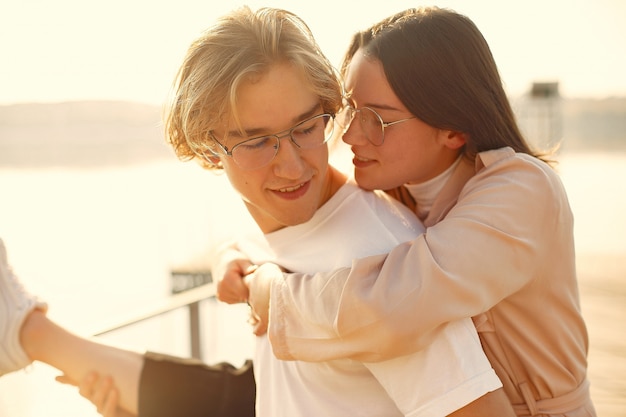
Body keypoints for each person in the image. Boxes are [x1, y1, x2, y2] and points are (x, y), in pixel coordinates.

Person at [1, 6, 515, 417]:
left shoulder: (379, 257)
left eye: (306, 127)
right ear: (207, 149)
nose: (291, 165)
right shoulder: (296, 235)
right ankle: (26, 335)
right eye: (255, 142)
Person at [233, 6, 596, 417]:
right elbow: (308, 217)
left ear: (454, 129)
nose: (351, 135)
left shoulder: (521, 192)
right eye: (351, 109)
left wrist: (268, 294)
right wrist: (234, 257)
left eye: (377, 120)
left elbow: (388, 307)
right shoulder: (399, 187)